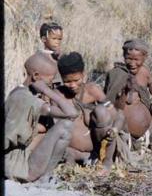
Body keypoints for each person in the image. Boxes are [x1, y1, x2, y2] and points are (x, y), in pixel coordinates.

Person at [4, 52, 78, 182]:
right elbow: (71, 113)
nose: (51, 84)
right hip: (17, 166)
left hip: (18, 159)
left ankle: (44, 175)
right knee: (65, 126)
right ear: (36, 76)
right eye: (49, 79)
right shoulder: (25, 98)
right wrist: (46, 91)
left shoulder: (20, 93)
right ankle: (44, 177)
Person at [56, 52, 130, 175]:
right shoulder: (58, 95)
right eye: (67, 81)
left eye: (76, 80)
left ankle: (106, 163)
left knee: (101, 111)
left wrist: (115, 130)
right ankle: (73, 162)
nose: (72, 85)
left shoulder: (92, 91)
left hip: (97, 150)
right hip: (71, 150)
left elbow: (118, 116)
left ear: (83, 75)